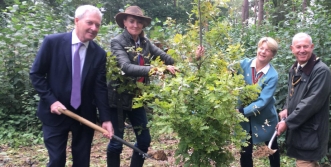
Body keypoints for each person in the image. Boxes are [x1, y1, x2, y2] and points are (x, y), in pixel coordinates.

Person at [106, 6, 204, 167]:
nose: (135, 25)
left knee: (144, 140)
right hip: (118, 99)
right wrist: (155, 69)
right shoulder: (118, 42)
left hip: (137, 99)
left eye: (139, 22)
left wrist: (192, 57)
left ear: (143, 25)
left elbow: (167, 59)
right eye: (131, 21)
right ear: (124, 22)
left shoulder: (145, 43)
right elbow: (126, 67)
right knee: (117, 143)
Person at [29, 5, 113, 167]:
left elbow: (100, 88)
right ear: (76, 21)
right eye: (90, 23)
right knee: (57, 160)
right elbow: (36, 74)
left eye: (97, 25)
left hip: (84, 115)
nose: (94, 28)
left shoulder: (99, 54)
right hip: (55, 113)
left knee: (82, 162)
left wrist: (105, 118)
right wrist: (51, 100)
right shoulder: (52, 43)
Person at [276, 32, 331, 167]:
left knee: (305, 161)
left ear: (312, 47)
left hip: (311, 130)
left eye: (305, 46)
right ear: (292, 49)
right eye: (298, 47)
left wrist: (288, 122)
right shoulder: (295, 68)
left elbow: (311, 103)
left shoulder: (321, 71)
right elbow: (292, 94)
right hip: (300, 129)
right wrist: (286, 108)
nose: (302, 50)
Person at [236, 37, 280, 167]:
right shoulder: (243, 64)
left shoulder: (272, 75)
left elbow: (263, 101)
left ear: (272, 55)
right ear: (257, 49)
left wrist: (242, 111)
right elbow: (223, 69)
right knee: (245, 151)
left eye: (268, 50)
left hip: (264, 118)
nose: (263, 52)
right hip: (244, 119)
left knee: (272, 149)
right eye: (261, 48)